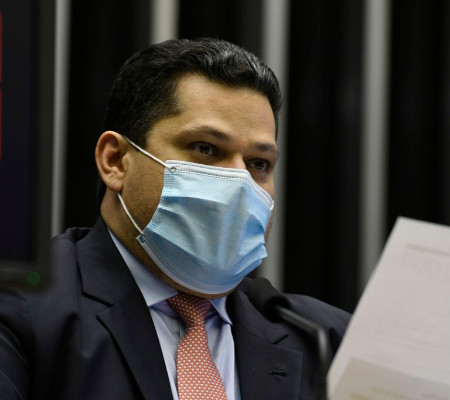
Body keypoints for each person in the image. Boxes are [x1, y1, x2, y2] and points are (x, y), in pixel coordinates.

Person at [0, 38, 350, 400]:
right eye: (205, 148)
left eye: (258, 164)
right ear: (115, 161)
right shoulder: (19, 305)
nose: (239, 183)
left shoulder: (325, 340)